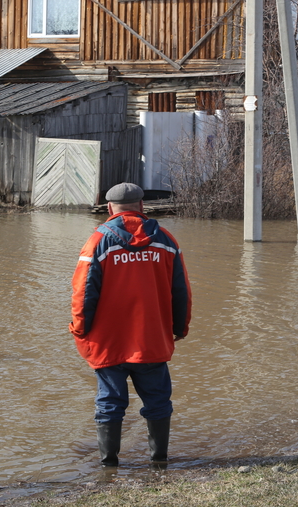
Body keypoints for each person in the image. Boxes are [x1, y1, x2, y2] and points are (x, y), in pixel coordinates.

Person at [69, 182, 192, 467]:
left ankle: (108, 465)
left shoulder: (97, 241)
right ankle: (159, 461)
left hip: (108, 343)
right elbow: (182, 291)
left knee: (110, 402)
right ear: (142, 206)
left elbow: (83, 293)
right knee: (158, 401)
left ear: (110, 208)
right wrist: (179, 329)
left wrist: (80, 329)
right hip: (151, 340)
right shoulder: (167, 240)